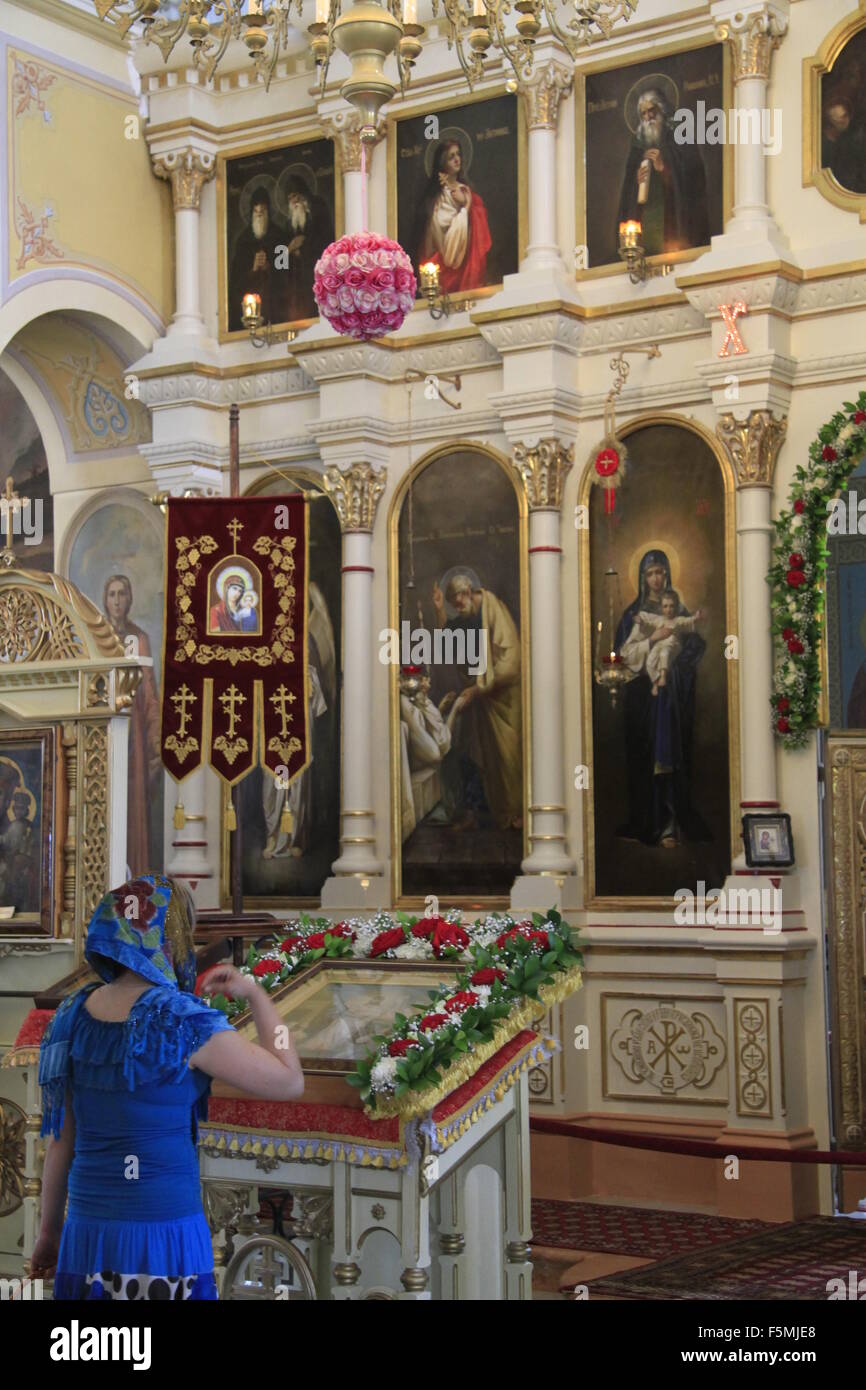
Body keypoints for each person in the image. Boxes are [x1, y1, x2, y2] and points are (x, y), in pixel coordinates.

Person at [31, 874, 303, 1300]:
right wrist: (255, 995)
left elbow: (61, 1143)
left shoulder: (69, 1015)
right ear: (171, 938)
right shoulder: (183, 1021)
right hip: (162, 1237)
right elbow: (289, 1078)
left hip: (86, 1235)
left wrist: (49, 1235)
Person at [614, 550, 709, 848]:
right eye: (650, 573)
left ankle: (670, 825)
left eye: (660, 573)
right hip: (643, 697)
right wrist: (652, 641)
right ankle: (649, 823)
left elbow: (693, 643)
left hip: (671, 697)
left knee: (669, 756)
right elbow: (624, 656)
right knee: (646, 757)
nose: (656, 579)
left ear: (667, 575)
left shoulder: (677, 609)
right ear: (643, 578)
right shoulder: (637, 614)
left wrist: (678, 668)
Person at [432, 573, 522, 830]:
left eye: (458, 600)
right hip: (482, 698)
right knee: (473, 754)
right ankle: (475, 814)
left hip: (505, 698)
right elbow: (451, 642)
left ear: (468, 592)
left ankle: (515, 812)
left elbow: (511, 662)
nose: (457, 606)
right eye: (452, 602)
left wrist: (479, 688)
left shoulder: (493, 609)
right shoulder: (468, 616)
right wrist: (439, 611)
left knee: (508, 756)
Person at [103, 574, 161, 874]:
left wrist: (154, 737)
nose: (116, 600)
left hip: (133, 731)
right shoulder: (95, 633)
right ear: (105, 599)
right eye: (111, 594)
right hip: (101, 727)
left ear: (129, 599)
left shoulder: (139, 639)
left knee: (133, 802)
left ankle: (134, 876)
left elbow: (149, 691)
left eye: (121, 594)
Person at [617, 88, 710, 256]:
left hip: (673, 218)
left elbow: (695, 178)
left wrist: (664, 168)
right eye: (643, 113)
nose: (648, 117)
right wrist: (636, 181)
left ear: (661, 109)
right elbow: (628, 191)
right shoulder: (638, 144)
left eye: (651, 110)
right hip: (647, 217)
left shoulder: (680, 134)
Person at [414, 139, 492, 294]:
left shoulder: (467, 192)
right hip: (441, 257)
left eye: (458, 155)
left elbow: (478, 218)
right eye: (451, 157)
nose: (457, 159)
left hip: (465, 257)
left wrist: (467, 205)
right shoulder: (435, 197)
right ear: (443, 162)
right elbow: (433, 225)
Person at [621, 588, 705, 695]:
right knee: (650, 661)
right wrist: (641, 622)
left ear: (676, 607)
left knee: (664, 653)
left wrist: (696, 617)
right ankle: (655, 682)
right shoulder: (659, 619)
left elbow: (688, 621)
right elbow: (649, 624)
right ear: (661, 608)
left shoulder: (678, 620)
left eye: (671, 606)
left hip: (672, 645)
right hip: (659, 644)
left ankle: (663, 677)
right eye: (665, 606)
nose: (668, 609)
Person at [274, 174, 333, 323]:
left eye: (296, 196)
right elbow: (279, 264)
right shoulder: (287, 225)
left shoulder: (318, 211)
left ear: (303, 195)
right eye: (290, 199)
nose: (294, 201)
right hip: (295, 289)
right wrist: (289, 249)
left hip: (316, 282)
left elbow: (327, 243)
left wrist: (304, 247)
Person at [229, 186, 282, 330]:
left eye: (262, 211)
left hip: (274, 306)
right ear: (252, 213)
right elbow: (235, 281)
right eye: (256, 211)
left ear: (268, 212)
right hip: (250, 310)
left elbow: (286, 273)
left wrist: (268, 267)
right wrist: (253, 269)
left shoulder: (279, 236)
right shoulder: (243, 241)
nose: (259, 215)